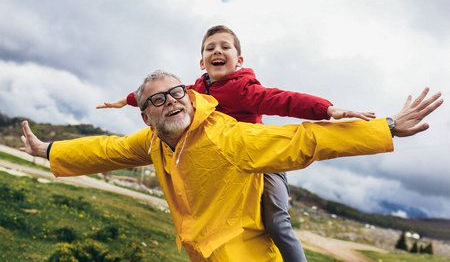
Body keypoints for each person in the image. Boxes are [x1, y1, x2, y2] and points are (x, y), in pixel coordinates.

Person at [21, 70, 442, 261]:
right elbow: (106, 150)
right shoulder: (152, 141)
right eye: (156, 99)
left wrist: (386, 127)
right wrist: (50, 150)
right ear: (146, 115)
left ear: (189, 95)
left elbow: (306, 138)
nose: (170, 100)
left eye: (176, 92)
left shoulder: (227, 137)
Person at [96, 25, 376, 262]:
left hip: (261, 162)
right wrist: (128, 100)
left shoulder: (244, 90)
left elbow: (283, 100)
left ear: (239, 61)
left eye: (225, 47)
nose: (217, 51)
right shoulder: (194, 92)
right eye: (210, 48)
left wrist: (326, 110)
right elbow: (158, 95)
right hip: (227, 165)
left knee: (277, 222)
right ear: (202, 62)